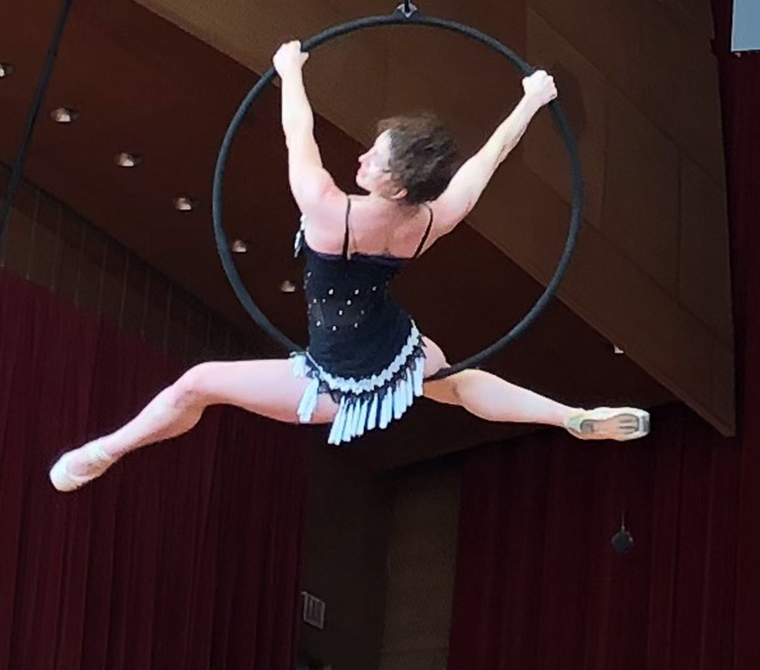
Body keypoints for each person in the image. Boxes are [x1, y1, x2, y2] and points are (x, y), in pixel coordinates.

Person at [49, 40, 648, 492]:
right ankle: (569, 416)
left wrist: (290, 72)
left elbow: (296, 133)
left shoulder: (327, 209)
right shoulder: (429, 221)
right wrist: (530, 103)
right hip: (395, 348)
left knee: (199, 383)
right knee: (456, 385)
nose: (361, 158)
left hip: (335, 379)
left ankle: (108, 449)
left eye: (375, 160)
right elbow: (487, 161)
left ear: (396, 183)